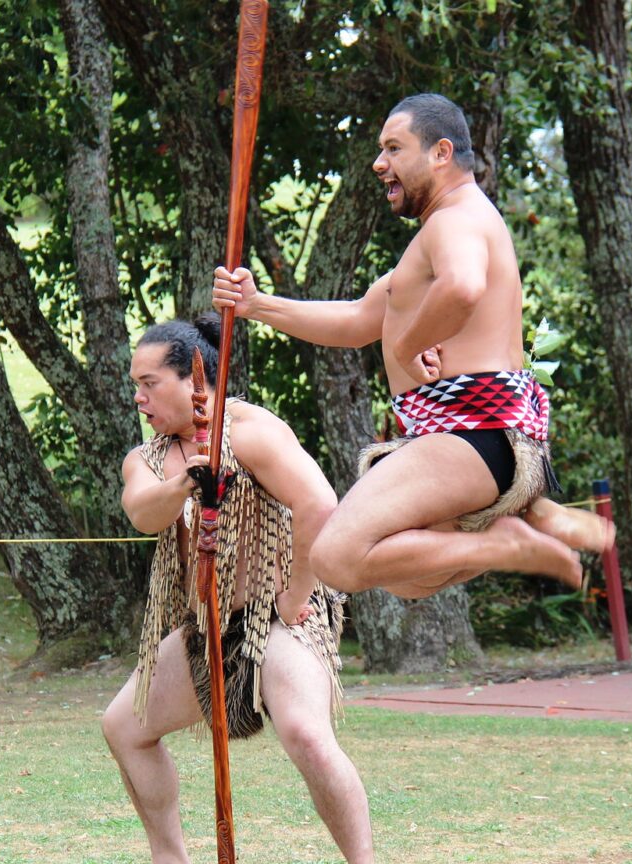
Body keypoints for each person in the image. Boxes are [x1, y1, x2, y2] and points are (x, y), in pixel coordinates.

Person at [212, 92, 610, 600]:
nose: (380, 164)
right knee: (411, 580)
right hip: (476, 438)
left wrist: (409, 347)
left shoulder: (455, 219)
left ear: (440, 153)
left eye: (394, 148)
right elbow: (359, 319)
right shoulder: (442, 231)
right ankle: (510, 528)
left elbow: (463, 286)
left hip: (473, 435)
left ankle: (505, 544)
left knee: (336, 556)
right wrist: (256, 304)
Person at [100, 316, 393, 864]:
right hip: (205, 628)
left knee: (307, 733)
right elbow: (142, 512)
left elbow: (320, 503)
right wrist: (185, 482)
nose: (138, 397)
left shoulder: (253, 432)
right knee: (124, 726)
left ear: (196, 378)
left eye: (150, 382)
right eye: (136, 383)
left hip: (279, 617)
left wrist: (297, 593)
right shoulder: (150, 458)